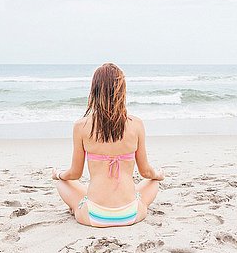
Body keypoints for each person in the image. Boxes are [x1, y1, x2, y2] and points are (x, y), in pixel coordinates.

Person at [52, 63, 164, 227]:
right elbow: (146, 172)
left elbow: (75, 174)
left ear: (94, 91)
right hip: (131, 213)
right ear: (121, 91)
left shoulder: (81, 126)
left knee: (63, 183)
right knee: (153, 181)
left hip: (94, 215)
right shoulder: (136, 124)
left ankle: (76, 208)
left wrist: (59, 174)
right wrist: (158, 174)